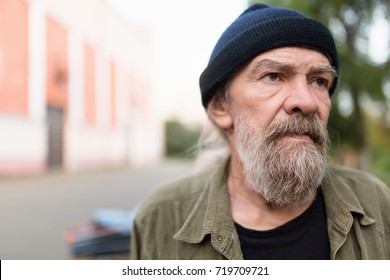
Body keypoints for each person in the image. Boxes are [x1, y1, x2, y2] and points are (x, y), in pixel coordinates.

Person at [131, 3, 390, 260]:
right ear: (221, 107)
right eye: (274, 76)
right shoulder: (160, 217)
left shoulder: (377, 204)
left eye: (319, 81)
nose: (308, 101)